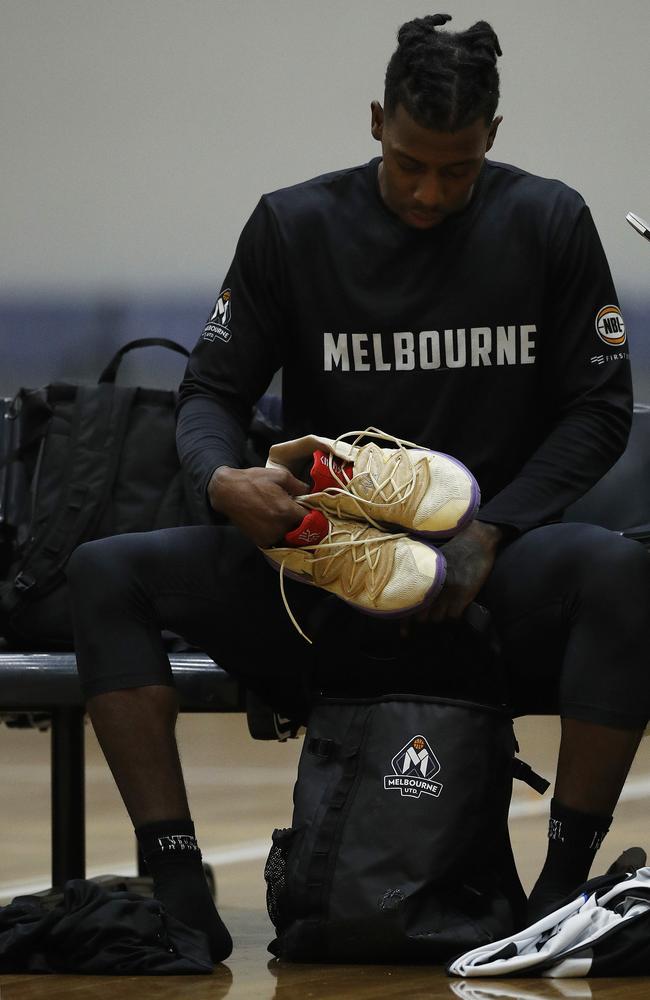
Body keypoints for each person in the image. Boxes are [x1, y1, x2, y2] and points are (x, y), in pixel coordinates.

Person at [66, 13, 650, 963]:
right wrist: (225, 480)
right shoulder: (292, 226)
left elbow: (598, 411)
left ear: (492, 139)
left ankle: (559, 889)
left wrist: (492, 530)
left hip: (481, 575)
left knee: (621, 576)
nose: (429, 192)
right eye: (411, 162)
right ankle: (179, 889)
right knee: (106, 575)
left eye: (456, 170)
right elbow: (211, 391)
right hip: (322, 567)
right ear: (377, 120)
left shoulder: (548, 222)